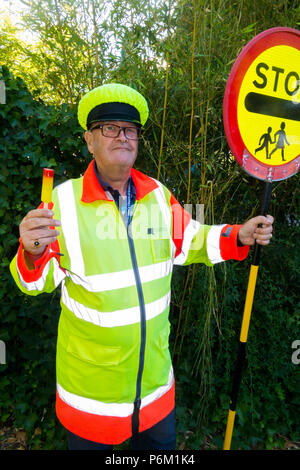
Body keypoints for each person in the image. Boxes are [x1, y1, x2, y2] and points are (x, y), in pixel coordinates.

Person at [10, 83, 274, 450]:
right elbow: (35, 282)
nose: (122, 136)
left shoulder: (157, 195)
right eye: (110, 128)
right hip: (92, 399)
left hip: (154, 394)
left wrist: (238, 236)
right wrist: (32, 252)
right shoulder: (63, 202)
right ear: (89, 140)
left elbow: (191, 240)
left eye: (130, 130)